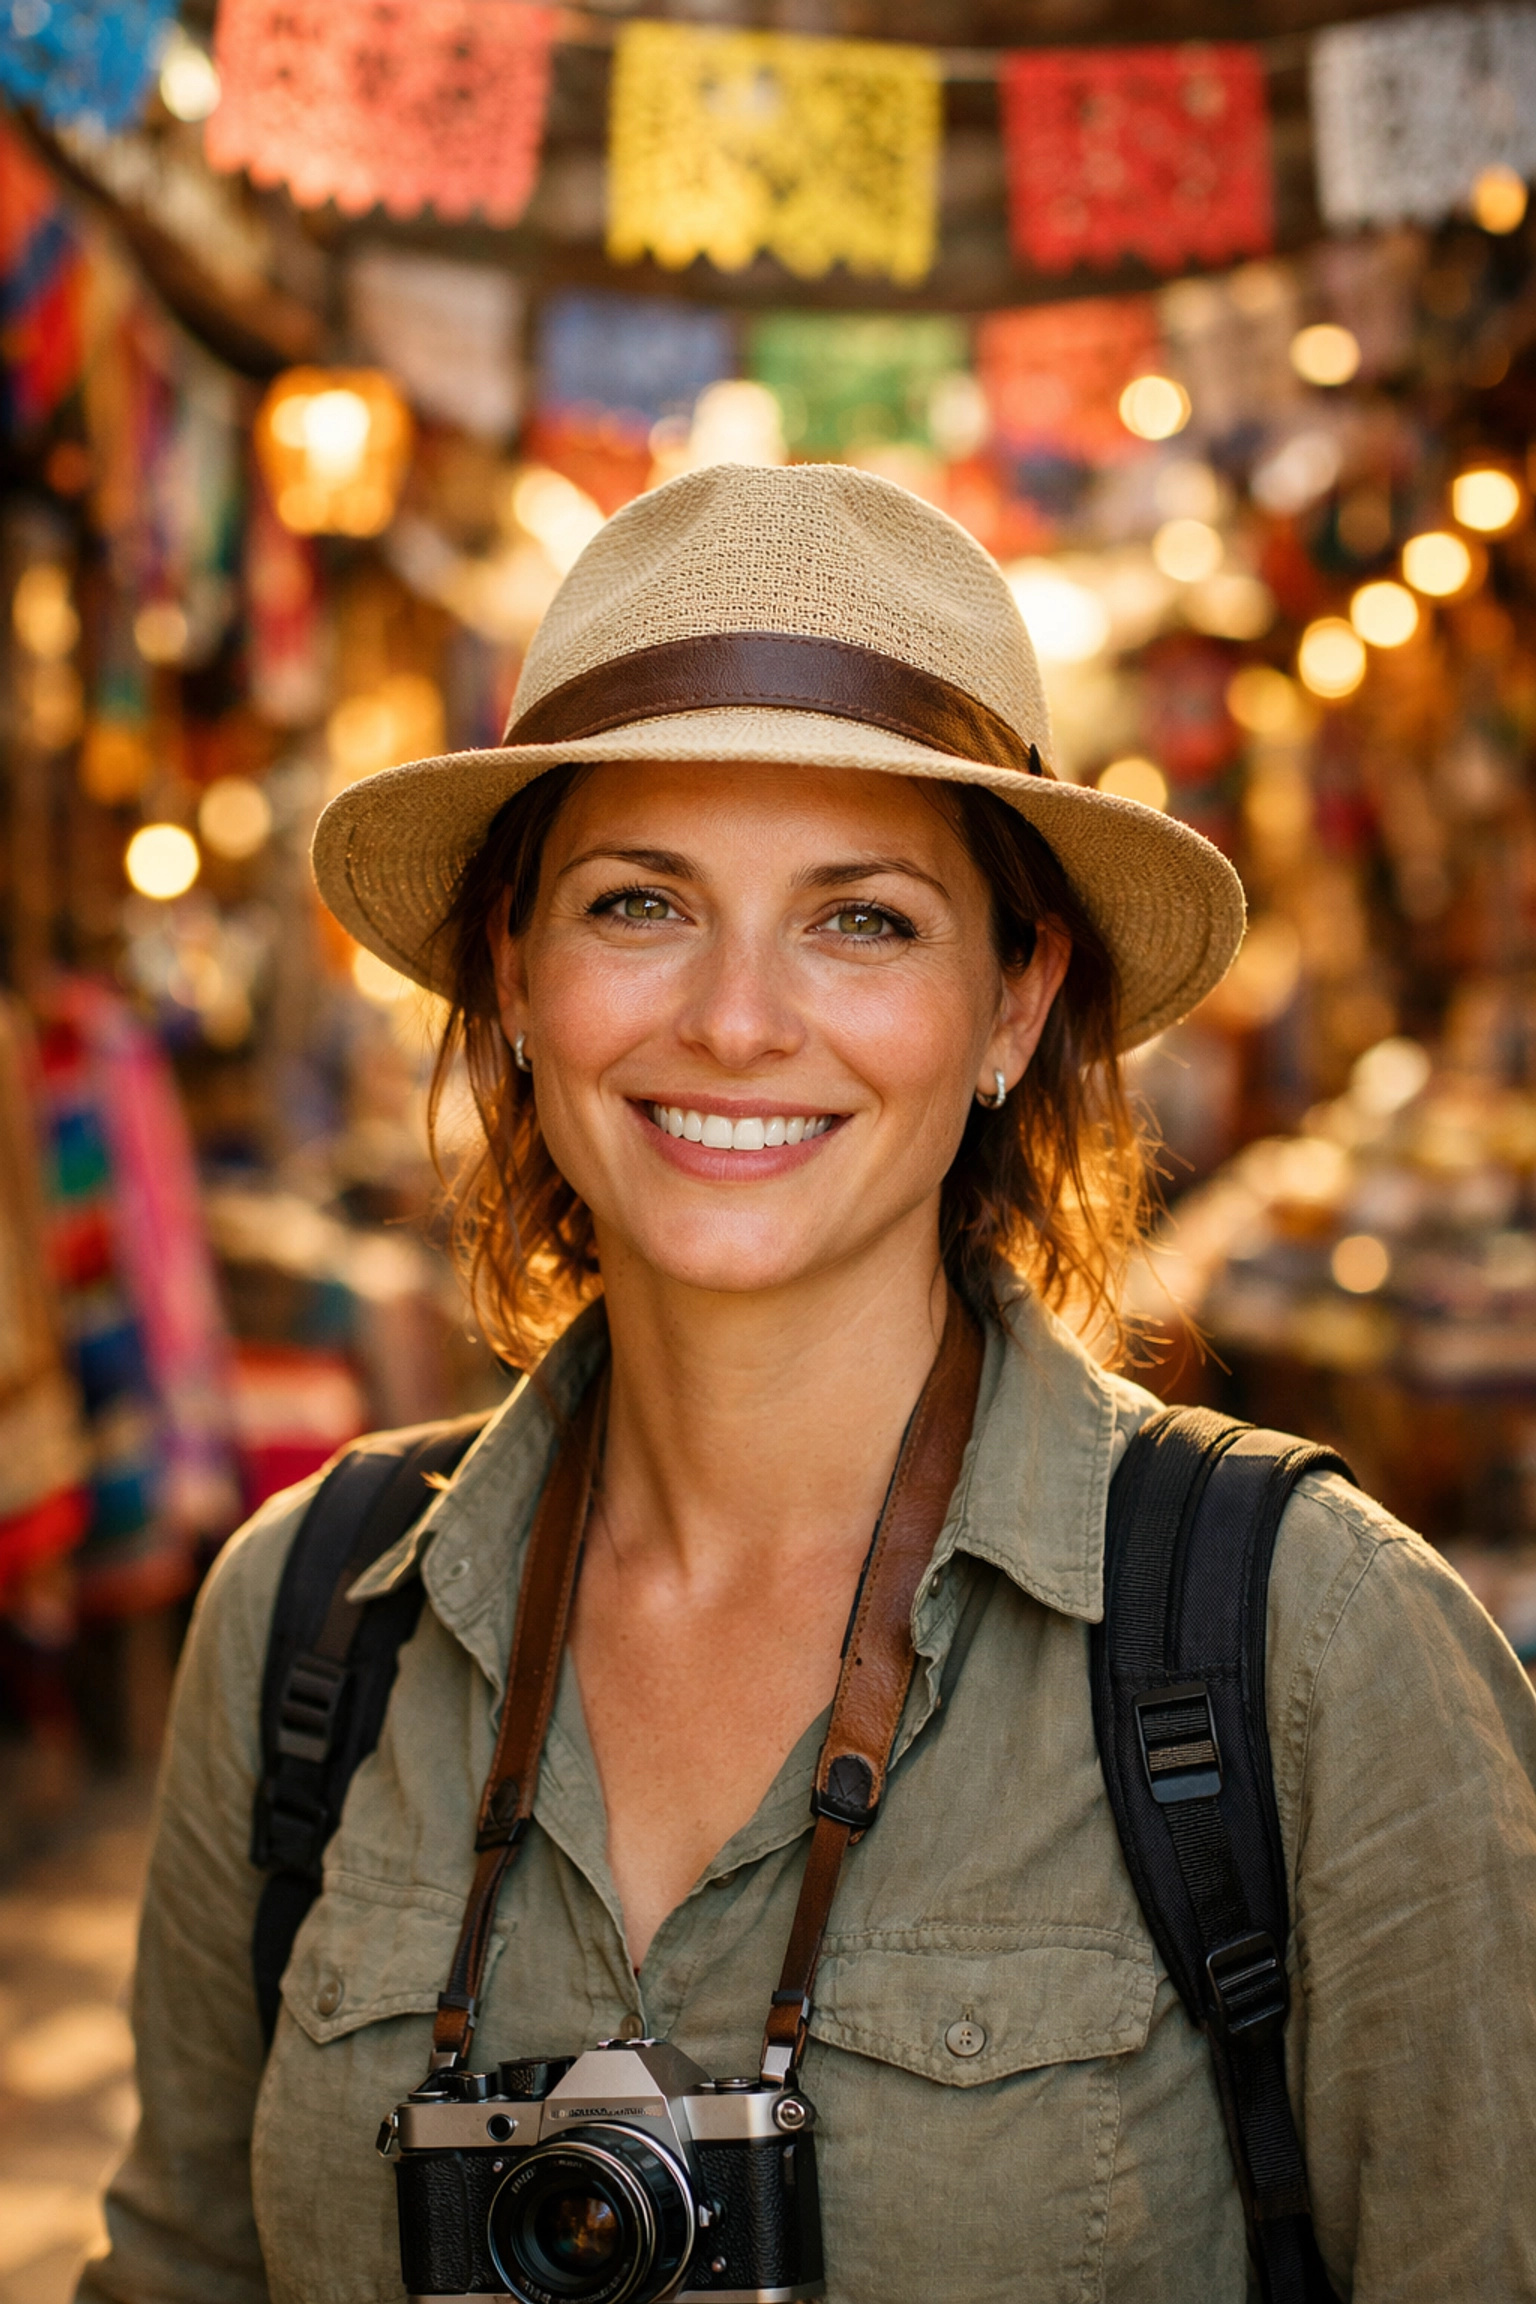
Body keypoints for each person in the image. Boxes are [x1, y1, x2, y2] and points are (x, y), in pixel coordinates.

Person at [82, 465, 1536, 2304]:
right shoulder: (309, 1625)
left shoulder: (1313, 1649)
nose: (741, 1020)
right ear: (513, 978)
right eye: (638, 905)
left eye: (862, 919)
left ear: (1014, 1005)